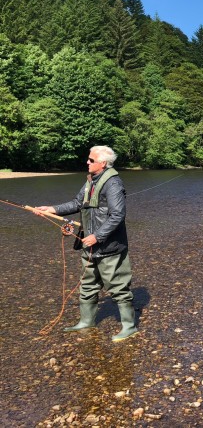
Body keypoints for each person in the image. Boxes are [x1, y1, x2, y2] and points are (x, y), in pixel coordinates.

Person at [36, 146, 138, 342]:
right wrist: (52, 209)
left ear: (103, 163)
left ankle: (129, 326)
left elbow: (117, 215)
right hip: (89, 245)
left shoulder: (113, 184)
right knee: (88, 285)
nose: (87, 162)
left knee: (118, 286)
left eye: (91, 160)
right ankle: (86, 321)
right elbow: (76, 203)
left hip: (110, 247)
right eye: (88, 160)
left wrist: (98, 236)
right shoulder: (90, 180)